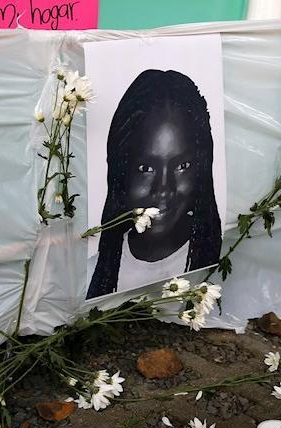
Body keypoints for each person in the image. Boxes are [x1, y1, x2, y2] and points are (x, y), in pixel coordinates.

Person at [86, 69, 223, 299]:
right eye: (146, 169)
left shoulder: (212, 271)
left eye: (182, 166)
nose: (164, 189)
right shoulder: (95, 273)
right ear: (121, 171)